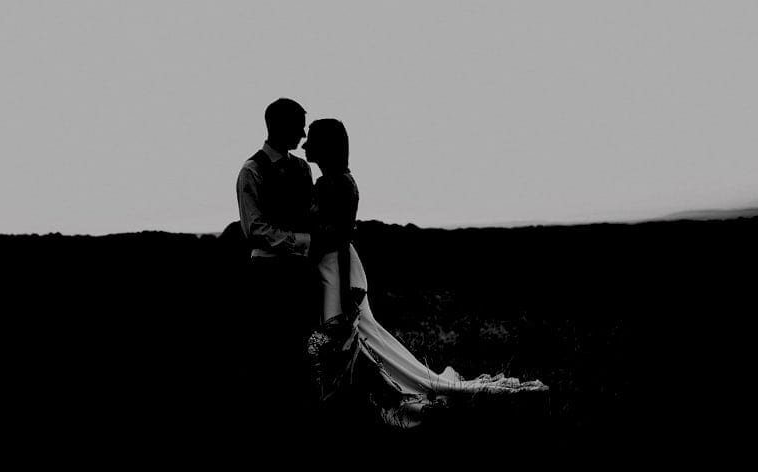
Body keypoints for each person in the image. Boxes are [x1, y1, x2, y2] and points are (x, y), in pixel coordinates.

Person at [300, 118, 549, 433]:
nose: (305, 146)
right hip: (339, 267)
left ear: (326, 146)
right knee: (364, 345)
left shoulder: (331, 184)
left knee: (357, 343)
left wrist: (344, 285)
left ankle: (363, 402)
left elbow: (337, 238)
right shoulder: (341, 181)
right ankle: (360, 398)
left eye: (311, 140)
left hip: (339, 271)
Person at [235, 98, 318, 434]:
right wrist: (302, 242)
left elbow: (312, 211)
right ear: (280, 126)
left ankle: (298, 408)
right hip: (268, 273)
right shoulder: (251, 171)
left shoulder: (303, 169)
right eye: (298, 125)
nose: (302, 132)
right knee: (271, 344)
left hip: (301, 271)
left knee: (300, 341)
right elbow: (253, 228)